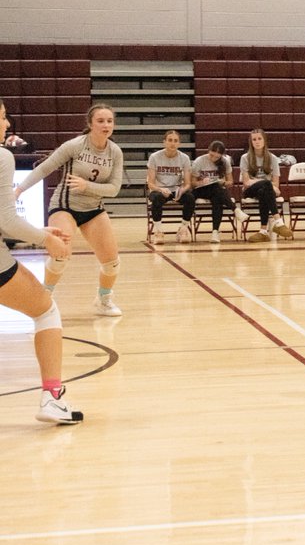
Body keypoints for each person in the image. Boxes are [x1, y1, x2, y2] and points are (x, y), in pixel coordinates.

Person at [0, 97, 84, 423]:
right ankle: (52, 397)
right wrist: (46, 239)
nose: (7, 125)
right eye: (4, 117)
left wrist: (38, 230)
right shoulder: (3, 156)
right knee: (46, 311)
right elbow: (7, 221)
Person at [15, 103, 125, 316]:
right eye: (100, 121)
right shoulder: (75, 145)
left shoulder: (115, 152)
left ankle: (103, 300)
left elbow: (114, 188)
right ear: (90, 124)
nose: (106, 125)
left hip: (93, 207)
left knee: (112, 262)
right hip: (65, 206)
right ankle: (44, 297)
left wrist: (87, 186)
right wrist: (19, 189)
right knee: (60, 254)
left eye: (109, 121)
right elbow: (45, 167)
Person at [239, 128, 294, 243]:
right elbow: (246, 182)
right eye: (254, 139)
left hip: (266, 190)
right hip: (249, 190)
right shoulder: (245, 158)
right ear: (251, 142)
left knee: (263, 192)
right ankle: (278, 222)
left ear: (264, 141)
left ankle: (263, 231)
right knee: (266, 184)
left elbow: (276, 183)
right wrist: (264, 182)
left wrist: (256, 180)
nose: (257, 141)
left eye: (259, 139)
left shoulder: (272, 158)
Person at [146, 129, 196, 244]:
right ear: (164, 142)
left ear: (179, 143)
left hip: (176, 189)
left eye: (175, 141)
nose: (172, 143)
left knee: (190, 198)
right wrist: (160, 189)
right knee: (157, 199)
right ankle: (158, 232)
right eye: (170, 140)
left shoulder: (184, 158)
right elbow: (150, 183)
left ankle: (183, 229)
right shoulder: (155, 157)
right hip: (159, 189)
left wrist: (182, 190)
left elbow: (188, 183)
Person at [191, 140, 241, 244]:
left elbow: (230, 181)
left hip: (216, 190)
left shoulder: (225, 162)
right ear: (208, 150)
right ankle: (235, 209)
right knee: (216, 188)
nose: (214, 158)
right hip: (201, 190)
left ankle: (215, 232)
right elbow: (192, 183)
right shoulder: (199, 161)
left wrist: (224, 182)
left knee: (217, 195)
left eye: (217, 157)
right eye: (212, 155)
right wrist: (201, 182)